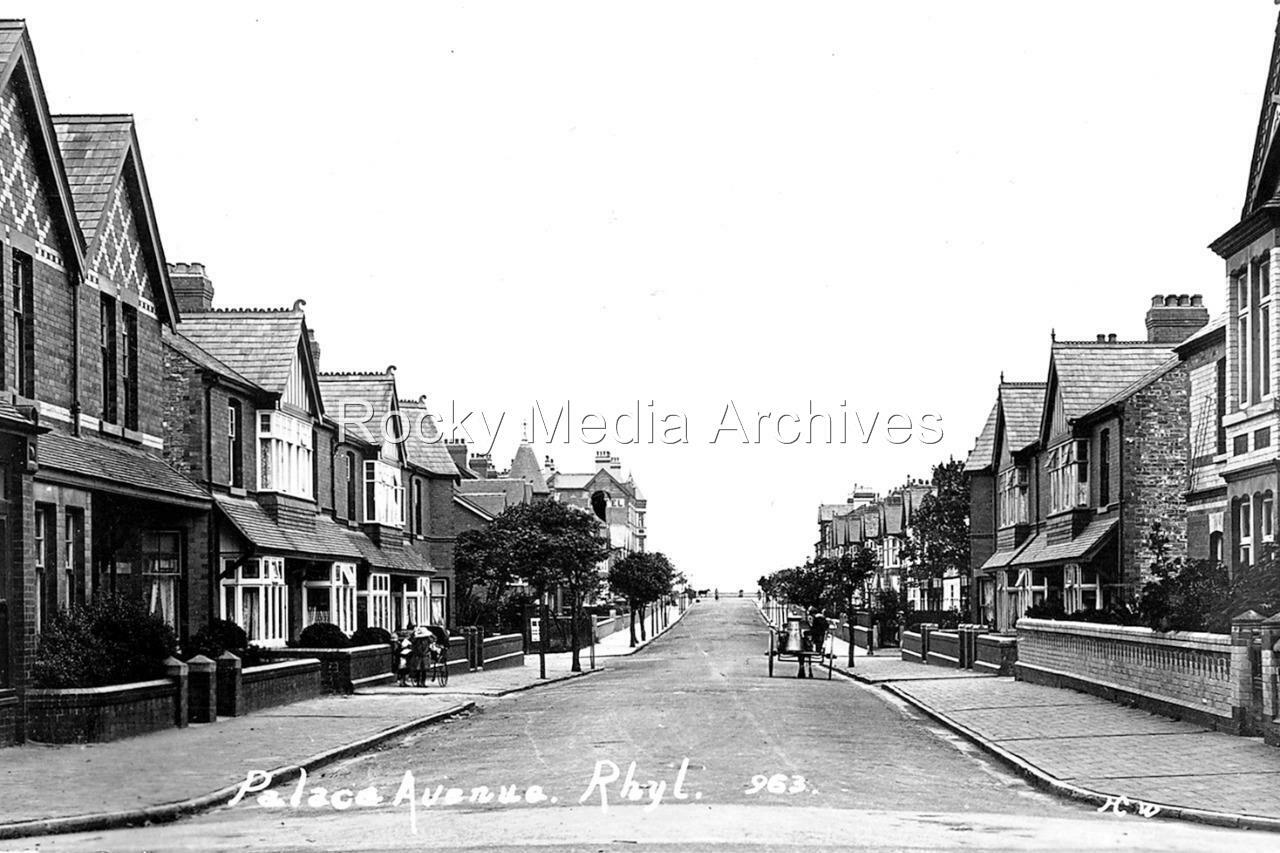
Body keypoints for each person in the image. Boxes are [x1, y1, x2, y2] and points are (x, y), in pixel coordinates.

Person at [807, 607, 829, 677]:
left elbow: (812, 626)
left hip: (816, 634)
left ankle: (815, 648)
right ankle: (818, 650)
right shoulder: (822, 617)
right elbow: (826, 626)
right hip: (821, 634)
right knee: (819, 643)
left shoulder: (814, 618)